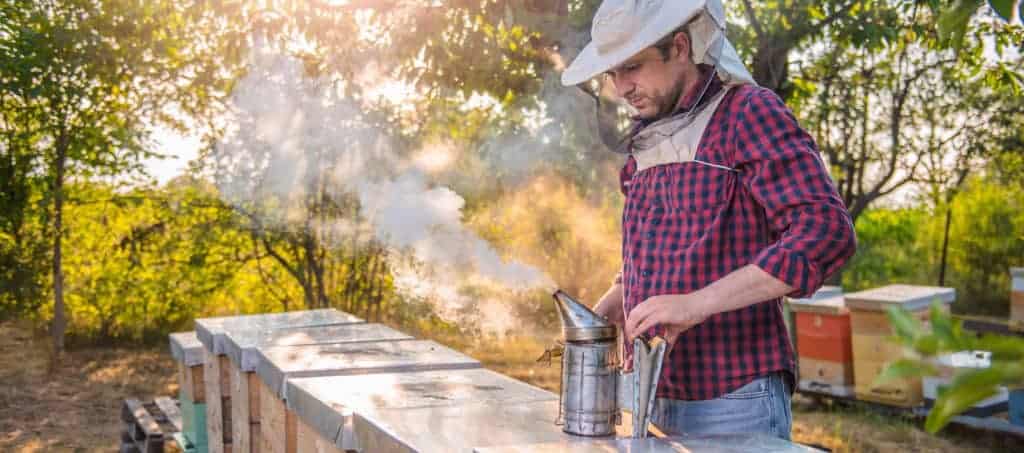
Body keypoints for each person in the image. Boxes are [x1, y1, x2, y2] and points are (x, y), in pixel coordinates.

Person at [560, 0, 857, 440]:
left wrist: (694, 304)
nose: (621, 87)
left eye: (633, 67)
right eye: (612, 74)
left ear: (680, 47)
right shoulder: (646, 138)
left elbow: (826, 232)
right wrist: (617, 298)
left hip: (735, 396)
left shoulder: (748, 113)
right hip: (653, 393)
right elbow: (662, 248)